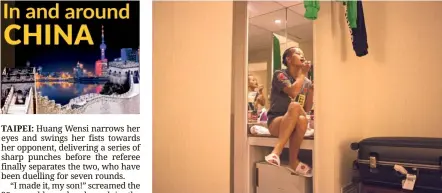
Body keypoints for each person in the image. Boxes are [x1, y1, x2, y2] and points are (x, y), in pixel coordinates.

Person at [264, 47, 314, 177]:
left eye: (303, 53)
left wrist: (312, 90)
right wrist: (302, 74)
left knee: (302, 118)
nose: (302, 55)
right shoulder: (280, 75)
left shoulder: (306, 82)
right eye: (298, 53)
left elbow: (307, 109)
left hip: (296, 123)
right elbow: (292, 92)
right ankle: (276, 152)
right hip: (276, 122)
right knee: (295, 106)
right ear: (289, 59)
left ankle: (293, 161)